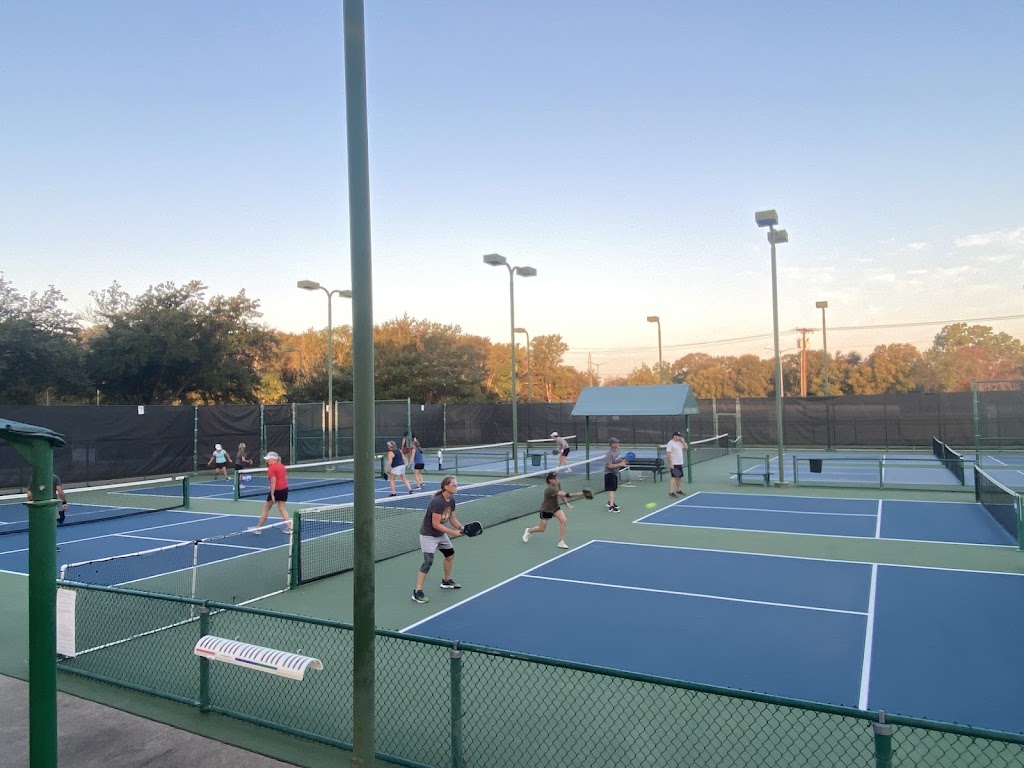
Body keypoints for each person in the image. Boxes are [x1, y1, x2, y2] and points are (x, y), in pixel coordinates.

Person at [412, 476, 463, 603]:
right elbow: (436, 524)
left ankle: (446, 581)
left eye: (456, 485)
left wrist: (462, 527)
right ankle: (417, 591)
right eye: (454, 485)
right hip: (428, 535)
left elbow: (452, 519)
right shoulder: (437, 502)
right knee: (428, 561)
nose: (456, 487)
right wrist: (453, 532)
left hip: (440, 534)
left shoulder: (451, 500)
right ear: (446, 486)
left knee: (450, 555)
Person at [522, 471, 581, 549]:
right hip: (546, 510)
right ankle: (529, 530)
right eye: (554, 478)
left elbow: (561, 494)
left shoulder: (557, 483)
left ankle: (561, 542)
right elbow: (564, 494)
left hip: (555, 507)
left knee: (563, 520)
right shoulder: (550, 489)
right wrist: (579, 494)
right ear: (550, 480)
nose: (556, 479)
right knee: (542, 529)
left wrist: (567, 503)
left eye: (556, 477)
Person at [253, 451, 292, 534]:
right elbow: (286, 478)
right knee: (282, 508)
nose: (267, 461)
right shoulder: (282, 466)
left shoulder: (271, 468)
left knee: (266, 508)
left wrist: (272, 494)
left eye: (268, 459)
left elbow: (273, 481)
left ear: (272, 459)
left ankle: (258, 528)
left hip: (276, 490)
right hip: (284, 489)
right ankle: (289, 527)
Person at [603, 437, 628, 513]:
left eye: (617, 442)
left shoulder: (617, 451)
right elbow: (609, 466)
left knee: (613, 489)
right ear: (612, 444)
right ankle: (611, 507)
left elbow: (618, 460)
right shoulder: (609, 454)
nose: (617, 444)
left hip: (615, 473)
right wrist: (620, 464)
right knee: (612, 490)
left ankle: (610, 502)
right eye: (616, 443)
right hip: (609, 473)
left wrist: (623, 461)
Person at [665, 431, 688, 498]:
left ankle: (678, 490)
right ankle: (671, 492)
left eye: (679, 436)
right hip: (674, 463)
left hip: (679, 463)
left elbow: (686, 448)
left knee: (679, 477)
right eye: (678, 436)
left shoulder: (679, 443)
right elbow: (668, 453)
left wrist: (683, 441)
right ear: (674, 436)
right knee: (674, 477)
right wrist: (670, 463)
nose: (679, 437)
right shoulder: (670, 443)